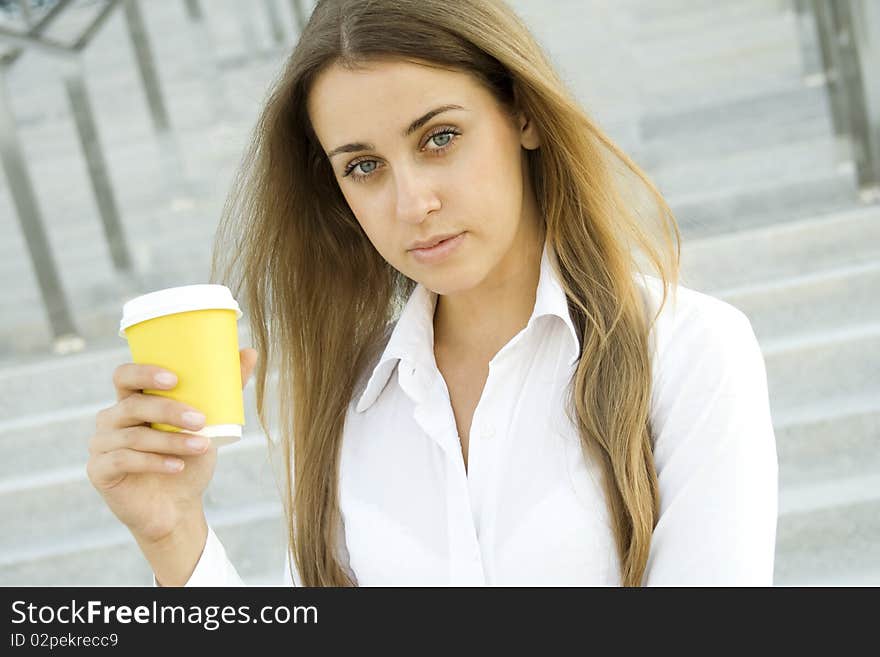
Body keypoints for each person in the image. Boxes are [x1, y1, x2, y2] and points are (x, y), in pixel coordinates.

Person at [86, 0, 778, 587]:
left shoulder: (688, 349)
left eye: (440, 137)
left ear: (524, 114)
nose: (412, 201)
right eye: (363, 166)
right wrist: (174, 532)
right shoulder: (347, 403)